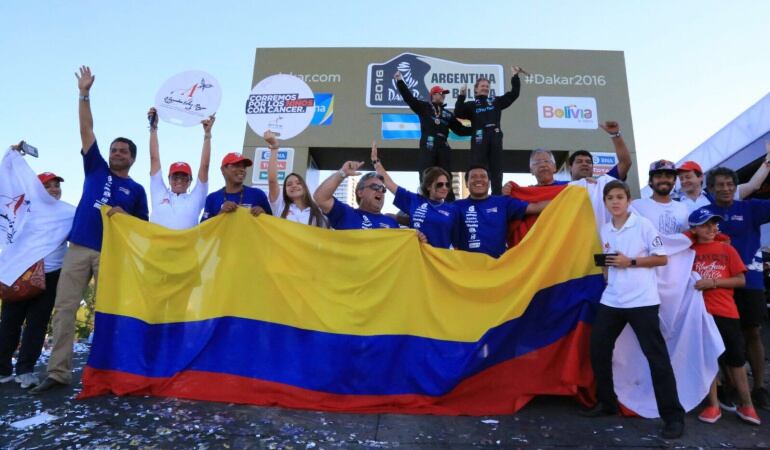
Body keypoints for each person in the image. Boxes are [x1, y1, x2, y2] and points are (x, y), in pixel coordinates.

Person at [32, 66, 149, 394]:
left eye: (123, 151)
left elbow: (144, 227)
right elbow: (86, 129)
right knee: (65, 309)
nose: (116, 153)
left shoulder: (137, 189)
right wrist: (84, 94)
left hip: (112, 254)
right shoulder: (95, 167)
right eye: (113, 149)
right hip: (79, 247)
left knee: (110, 314)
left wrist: (126, 215)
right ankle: (58, 372)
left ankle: (111, 373)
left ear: (132, 159)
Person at [582, 180, 685, 439]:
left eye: (619, 197)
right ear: (605, 203)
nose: (615, 202)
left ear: (628, 200)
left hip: (642, 301)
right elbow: (611, 261)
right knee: (598, 349)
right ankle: (607, 402)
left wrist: (631, 262)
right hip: (612, 299)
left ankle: (673, 416)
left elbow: (661, 257)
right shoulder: (605, 229)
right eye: (610, 198)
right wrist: (607, 266)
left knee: (657, 357)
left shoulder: (643, 225)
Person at [700, 167, 770, 409]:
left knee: (752, 332)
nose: (725, 188)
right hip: (716, 286)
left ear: (735, 186)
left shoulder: (750, 208)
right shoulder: (704, 213)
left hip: (749, 281)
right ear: (710, 189)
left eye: (730, 184)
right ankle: (730, 386)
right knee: (721, 336)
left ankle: (759, 387)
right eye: (719, 184)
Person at [0, 171, 73, 389]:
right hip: (20, 273)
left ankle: (25, 371)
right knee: (10, 322)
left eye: (56, 185)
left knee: (37, 324)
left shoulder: (69, 213)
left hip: (52, 275)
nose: (54, 189)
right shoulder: (23, 210)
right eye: (47, 186)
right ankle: (2, 369)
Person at [688, 209, 761, 425]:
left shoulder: (727, 249)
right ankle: (713, 405)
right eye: (704, 225)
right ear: (694, 229)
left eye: (713, 224)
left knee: (736, 359)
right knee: (708, 360)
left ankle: (747, 404)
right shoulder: (689, 251)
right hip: (701, 314)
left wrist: (714, 283)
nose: (711, 228)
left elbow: (740, 280)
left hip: (727, 312)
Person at [394, 71, 472, 199]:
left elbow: (460, 130)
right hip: (428, 145)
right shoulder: (424, 107)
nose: (442, 96)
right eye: (440, 93)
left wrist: (477, 127)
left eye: (444, 94)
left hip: (443, 146)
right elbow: (409, 98)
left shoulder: (447, 114)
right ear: (433, 95)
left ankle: (449, 203)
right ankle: (424, 201)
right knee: (426, 174)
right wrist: (400, 81)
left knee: (446, 176)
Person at [454, 66, 526, 195]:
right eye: (482, 86)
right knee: (477, 168)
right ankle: (476, 194)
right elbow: (458, 112)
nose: (485, 88)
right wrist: (461, 96)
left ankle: (497, 196)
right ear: (476, 89)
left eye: (487, 86)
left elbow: (514, 94)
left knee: (496, 169)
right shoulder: (471, 105)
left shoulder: (495, 101)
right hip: (479, 138)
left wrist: (515, 76)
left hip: (495, 137)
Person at [453, 166, 549, 258]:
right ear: (466, 183)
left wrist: (563, 199)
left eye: (483, 176)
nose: (479, 179)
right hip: (466, 268)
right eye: (473, 177)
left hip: (497, 266)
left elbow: (535, 207)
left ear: (489, 182)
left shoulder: (503, 202)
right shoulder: (455, 207)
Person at [371, 142, 454, 248]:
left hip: (441, 260)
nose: (444, 188)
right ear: (428, 186)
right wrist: (376, 162)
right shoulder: (415, 200)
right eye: (439, 184)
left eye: (447, 185)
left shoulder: (453, 209)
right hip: (417, 258)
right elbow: (389, 184)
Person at [147, 107, 213, 229]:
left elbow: (205, 166)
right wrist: (153, 128)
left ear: (190, 181)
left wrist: (207, 135)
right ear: (169, 178)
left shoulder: (196, 198)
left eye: (184, 178)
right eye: (175, 177)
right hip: (156, 247)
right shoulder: (159, 192)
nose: (179, 181)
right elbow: (154, 158)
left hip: (186, 248)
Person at [569, 122, 633, 228]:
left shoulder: (604, 183)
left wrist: (615, 135)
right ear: (570, 167)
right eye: (579, 161)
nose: (584, 163)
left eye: (588, 162)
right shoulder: (563, 187)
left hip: (606, 240)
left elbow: (625, 162)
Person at [677, 142, 770, 214]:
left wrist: (768, 160)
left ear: (700, 177)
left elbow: (753, 185)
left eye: (688, 177)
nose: (684, 181)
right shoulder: (677, 206)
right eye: (681, 179)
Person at [501, 149, 568, 247]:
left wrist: (590, 184)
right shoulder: (523, 194)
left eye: (547, 161)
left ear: (554, 167)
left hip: (561, 243)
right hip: (534, 247)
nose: (543, 165)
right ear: (531, 170)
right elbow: (508, 211)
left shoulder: (570, 187)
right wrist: (506, 195)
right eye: (537, 163)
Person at [265, 131, 327, 227]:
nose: (294, 185)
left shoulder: (316, 210)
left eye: (298, 183)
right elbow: (272, 181)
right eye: (289, 184)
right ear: (285, 191)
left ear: (305, 187)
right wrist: (274, 148)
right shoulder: (280, 205)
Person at [313, 161, 400, 230]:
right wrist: (343, 173)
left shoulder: (392, 223)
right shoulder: (346, 214)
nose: (380, 191)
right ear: (360, 193)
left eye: (383, 189)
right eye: (375, 187)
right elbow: (320, 198)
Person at [201, 152, 272, 221]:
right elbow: (203, 229)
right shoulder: (212, 198)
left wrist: (263, 214)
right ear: (223, 169)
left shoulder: (258, 194)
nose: (242, 169)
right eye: (236, 165)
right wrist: (221, 214)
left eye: (244, 167)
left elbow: (272, 224)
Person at [631, 160, 689, 235]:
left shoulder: (683, 208)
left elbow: (687, 237)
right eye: (658, 176)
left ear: (674, 181)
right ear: (650, 181)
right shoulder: (636, 206)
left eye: (668, 176)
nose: (663, 180)